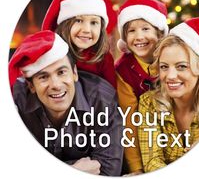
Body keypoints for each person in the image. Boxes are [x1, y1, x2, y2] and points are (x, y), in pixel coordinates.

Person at [9, 30, 123, 176]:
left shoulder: (102, 99)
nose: (56, 85)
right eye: (43, 77)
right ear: (31, 86)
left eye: (61, 72)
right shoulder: (15, 98)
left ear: (74, 73)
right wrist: (75, 170)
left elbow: (108, 171)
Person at [138, 17, 199, 172]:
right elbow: (152, 161)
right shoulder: (148, 103)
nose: (170, 76)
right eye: (164, 67)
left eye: (181, 67)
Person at [115, 0, 169, 175]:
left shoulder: (171, 56)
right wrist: (137, 168)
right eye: (131, 30)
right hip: (144, 133)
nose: (139, 36)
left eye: (146, 29)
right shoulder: (123, 71)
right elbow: (129, 120)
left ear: (159, 32)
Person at [41, 0, 116, 88]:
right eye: (78, 21)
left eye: (94, 22)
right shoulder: (52, 55)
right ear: (65, 25)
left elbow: (112, 94)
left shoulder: (104, 59)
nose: (86, 29)